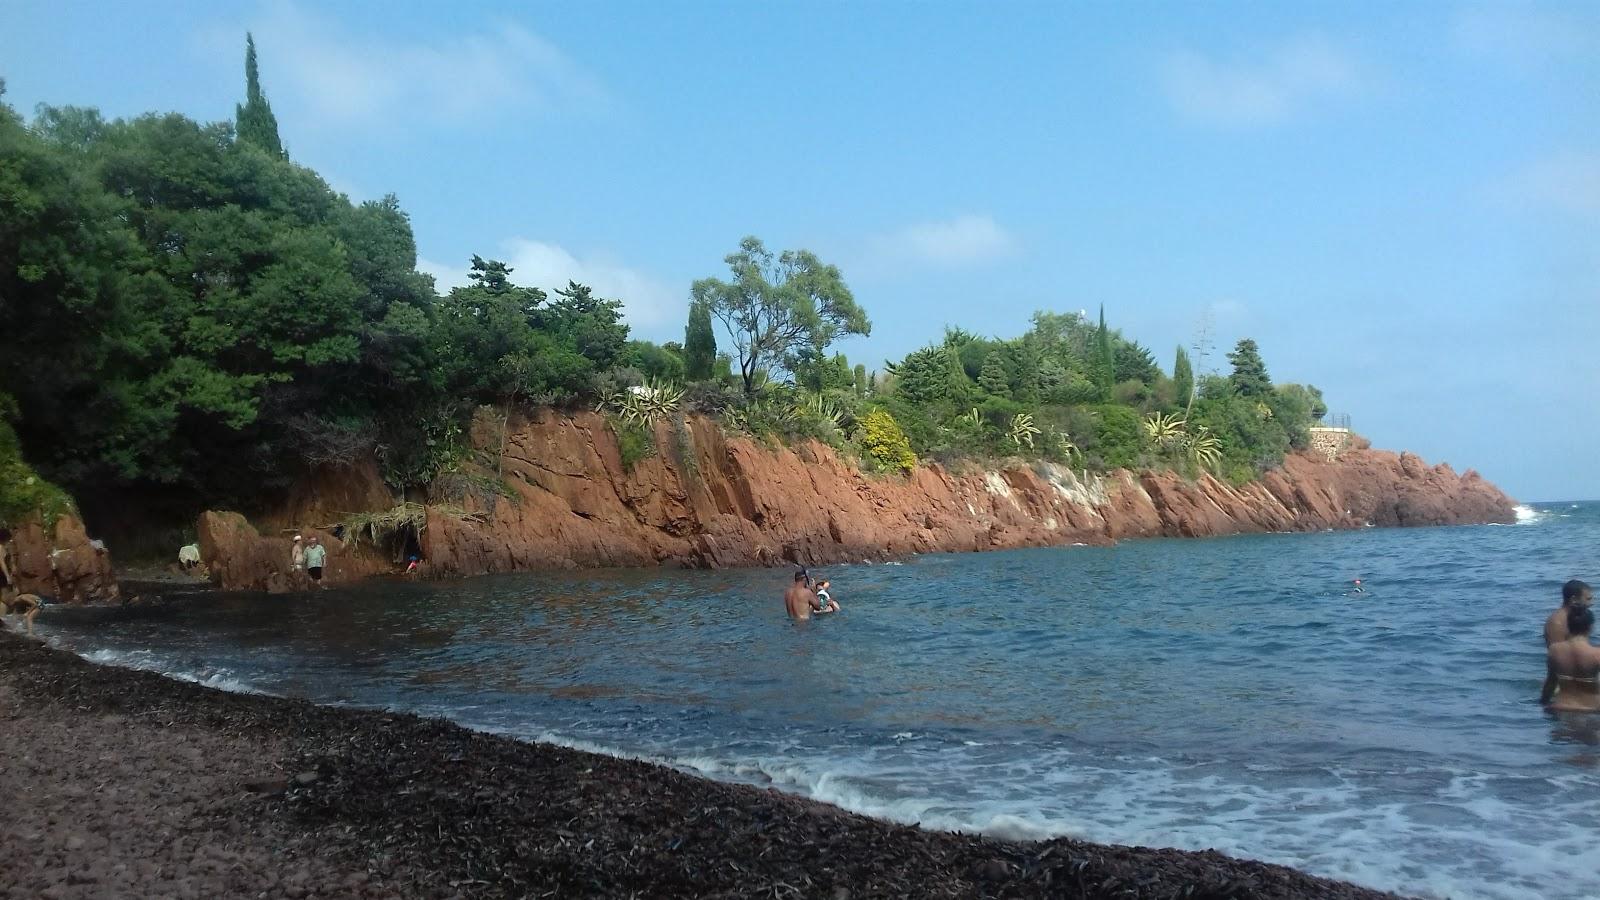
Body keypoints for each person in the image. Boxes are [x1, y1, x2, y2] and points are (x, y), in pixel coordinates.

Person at [1542, 605, 1600, 711]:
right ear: (1590, 627)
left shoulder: (1554, 650)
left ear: (1568, 625)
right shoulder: (1596, 654)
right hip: (1591, 710)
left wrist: (1542, 703)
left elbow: (1550, 683)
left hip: (1560, 708)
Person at [1545, 580, 1593, 646]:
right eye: (1588, 599)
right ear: (1574, 599)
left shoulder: (1578, 618)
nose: (1592, 603)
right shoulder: (1557, 622)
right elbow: (1557, 653)